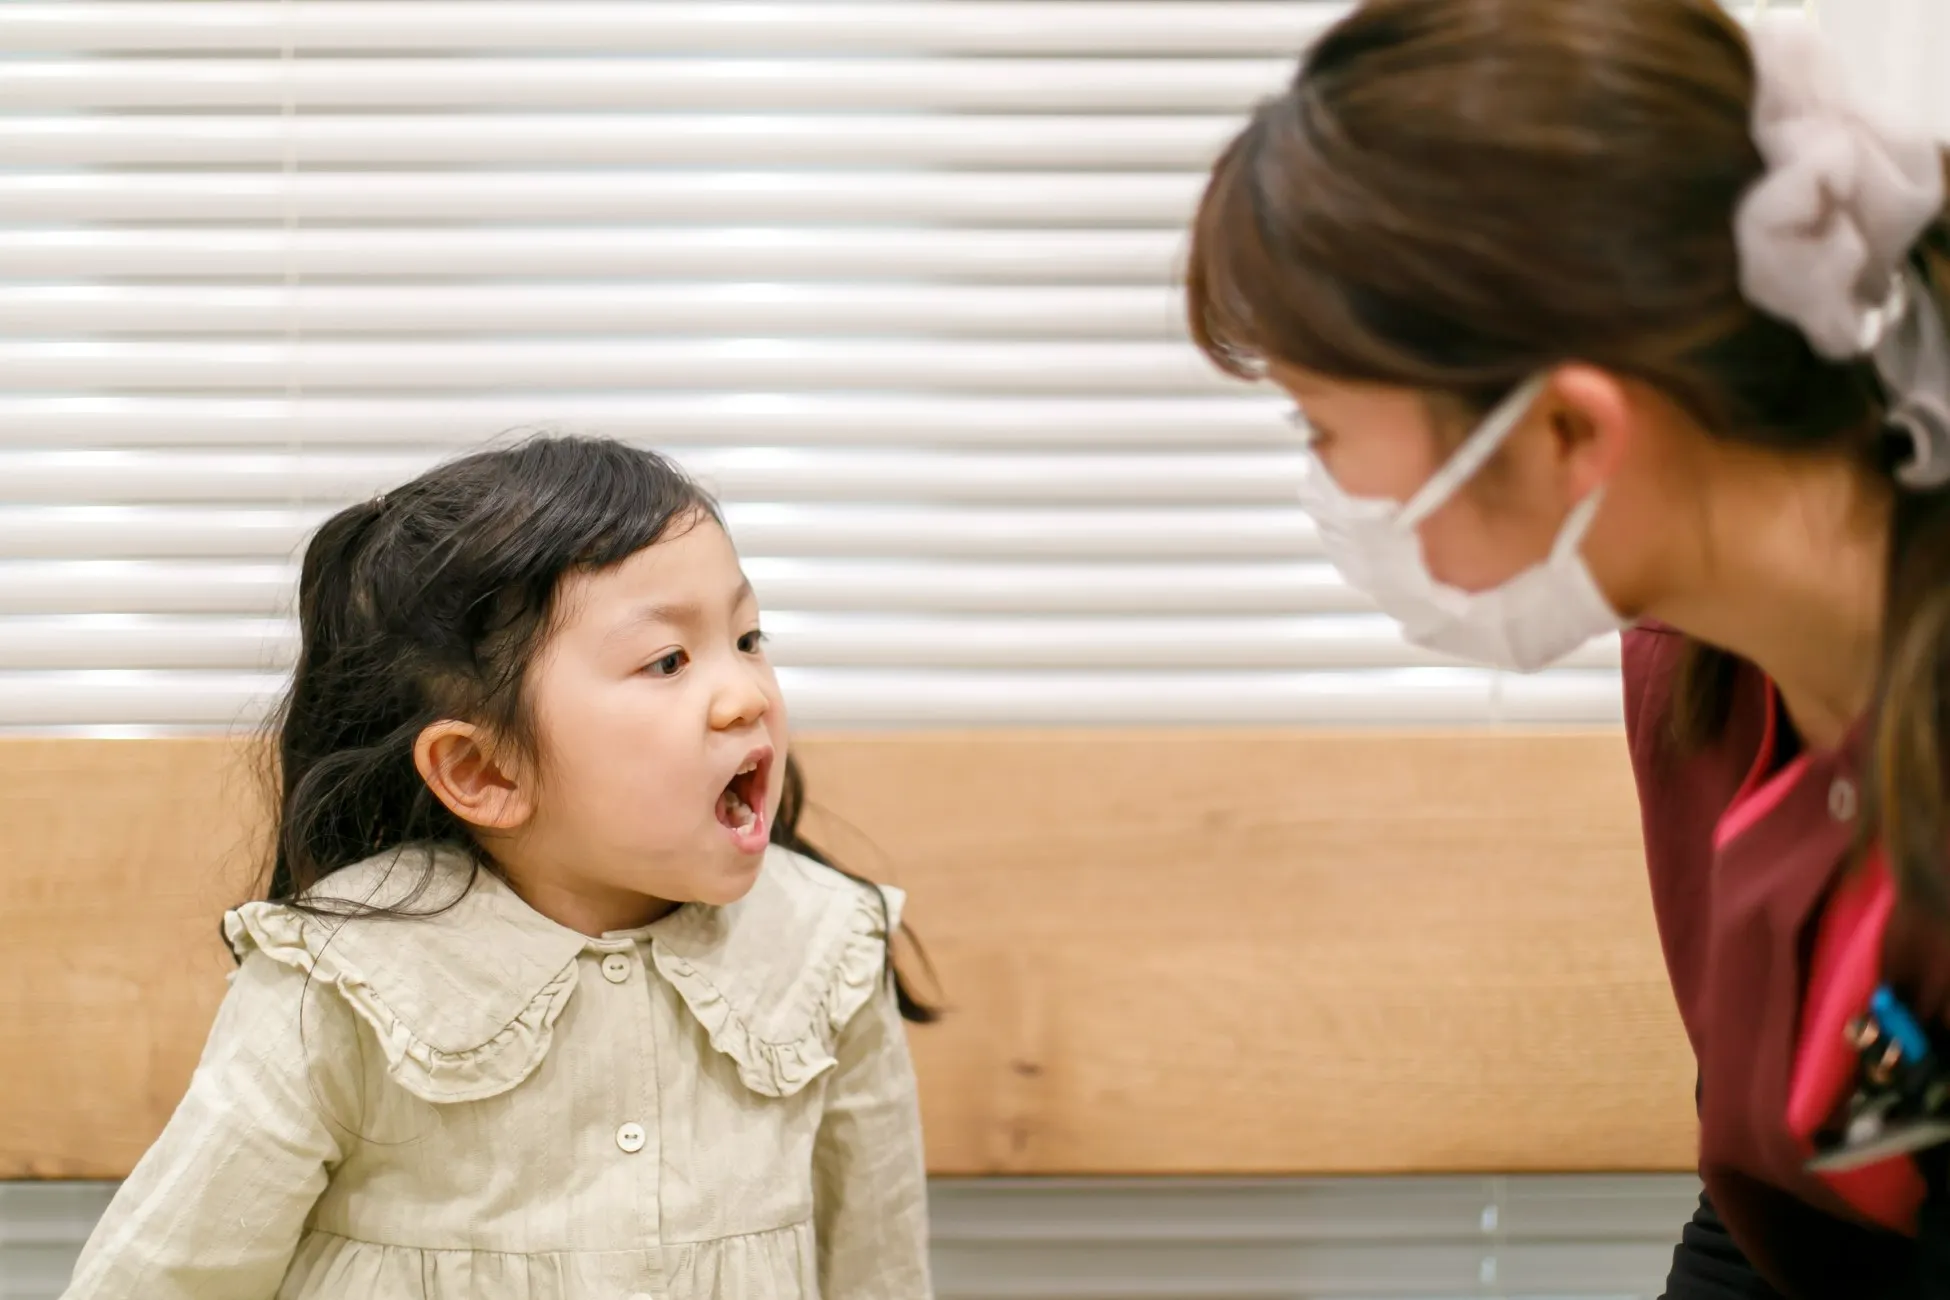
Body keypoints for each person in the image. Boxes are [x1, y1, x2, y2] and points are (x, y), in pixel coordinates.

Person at [1184, 0, 1950, 1295]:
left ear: (1564, 436)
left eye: (1322, 426)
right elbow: (1773, 1215)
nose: (1326, 489)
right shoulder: (1700, 684)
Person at [61, 436, 936, 1300]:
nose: (749, 693)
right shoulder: (340, 981)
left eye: (748, 638)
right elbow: (166, 1275)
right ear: (484, 773)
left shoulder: (829, 950)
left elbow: (878, 1268)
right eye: (667, 659)